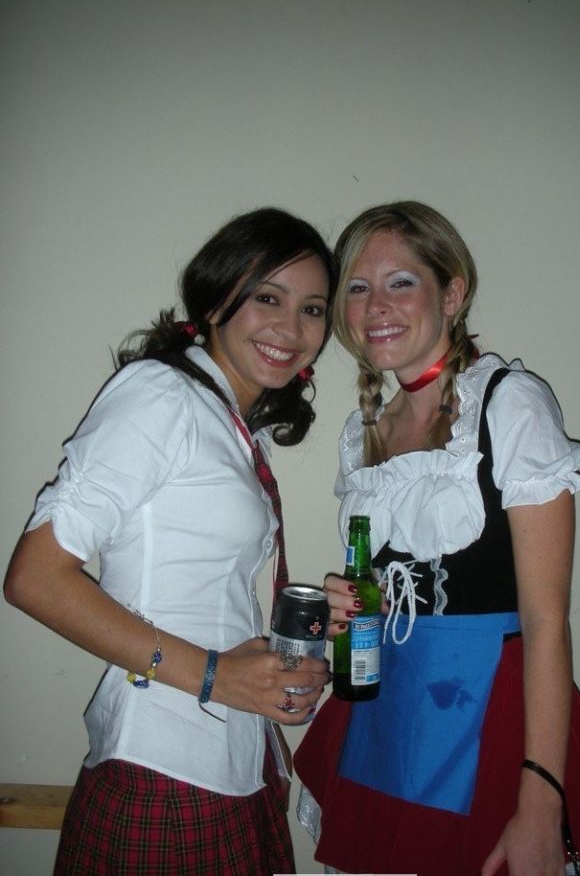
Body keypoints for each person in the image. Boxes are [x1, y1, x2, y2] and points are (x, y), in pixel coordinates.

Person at [294, 201, 580, 876]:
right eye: (358, 288)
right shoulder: (363, 432)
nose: (375, 306)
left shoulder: (510, 404)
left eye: (400, 282)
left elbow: (546, 620)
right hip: (385, 720)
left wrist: (540, 799)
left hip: (488, 723)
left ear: (451, 294)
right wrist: (351, 609)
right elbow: (387, 600)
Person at [4, 207, 338, 876]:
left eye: (312, 309)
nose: (291, 328)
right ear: (215, 303)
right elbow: (35, 578)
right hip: (165, 767)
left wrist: (291, 646)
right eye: (268, 298)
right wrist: (217, 675)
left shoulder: (233, 423)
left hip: (232, 758)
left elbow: (201, 591)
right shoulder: (161, 394)